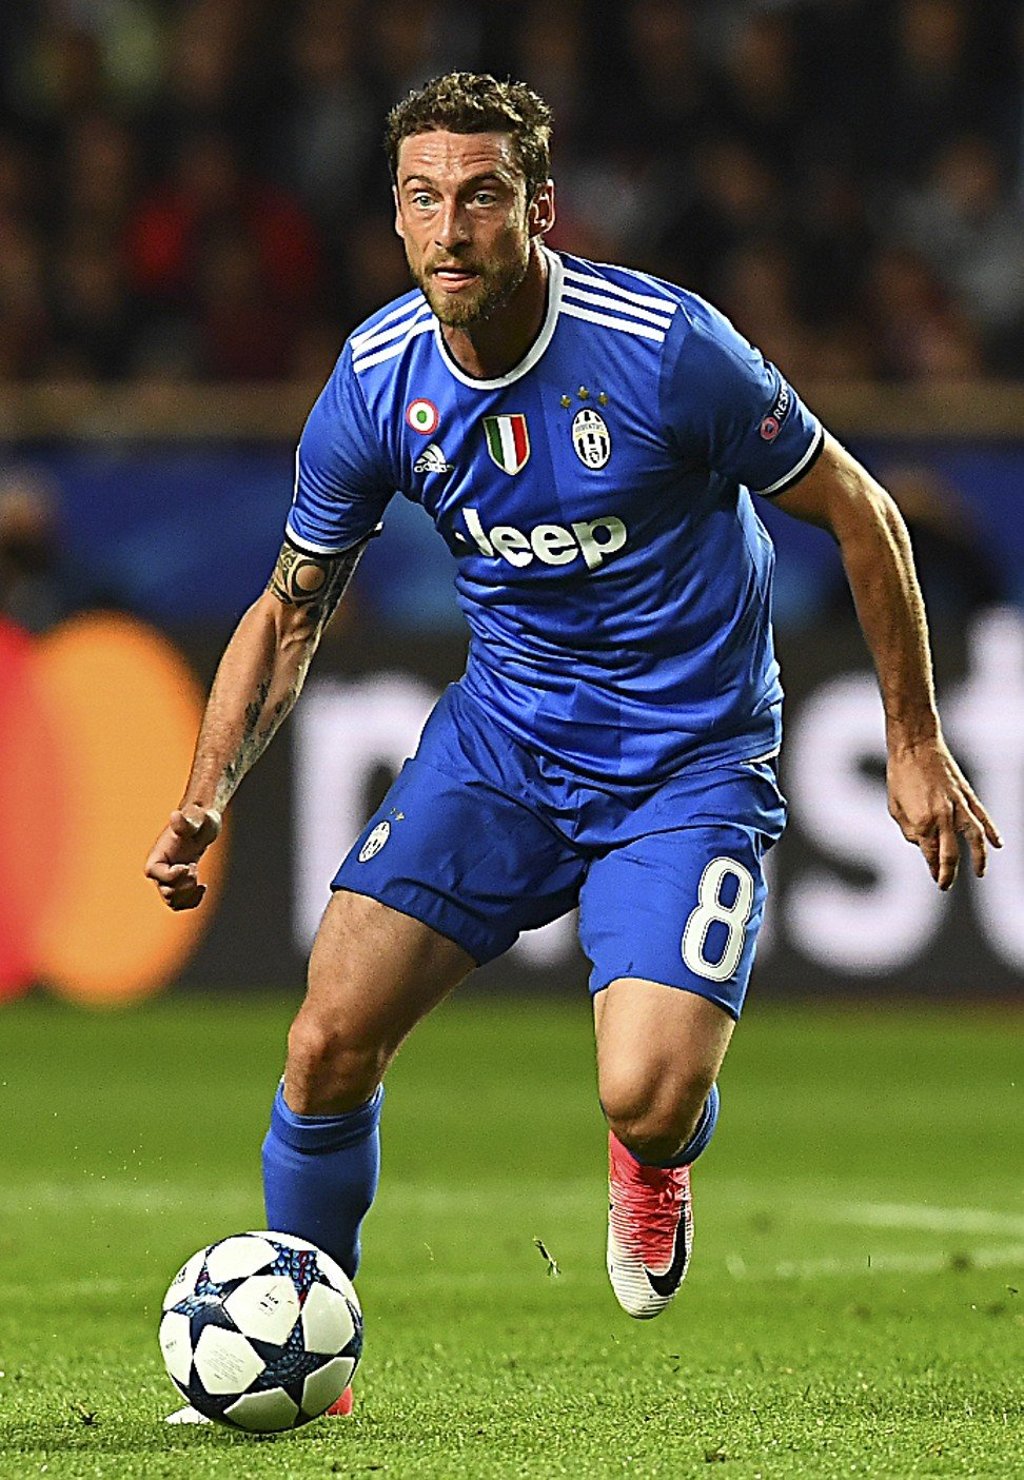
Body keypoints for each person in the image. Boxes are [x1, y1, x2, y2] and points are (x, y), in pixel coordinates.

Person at [145, 72, 1001, 1404]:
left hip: (686, 761)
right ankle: (313, 1332)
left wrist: (911, 741)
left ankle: (656, 1160)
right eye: (421, 200)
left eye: (480, 197)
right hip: (504, 744)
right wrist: (209, 792)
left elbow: (866, 513)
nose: (449, 230)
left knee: (647, 1095)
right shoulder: (379, 383)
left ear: (540, 209)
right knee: (324, 1043)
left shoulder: (666, 351)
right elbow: (292, 604)